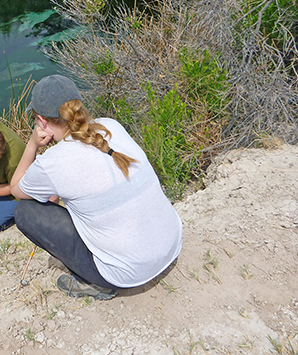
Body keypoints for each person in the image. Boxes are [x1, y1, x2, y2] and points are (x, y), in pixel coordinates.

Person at [10, 75, 182, 300]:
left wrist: (32, 143)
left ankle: (96, 284)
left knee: (25, 212)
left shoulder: (52, 161)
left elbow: (15, 188)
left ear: (42, 121)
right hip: (171, 244)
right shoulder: (111, 126)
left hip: (125, 274)